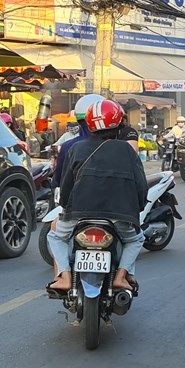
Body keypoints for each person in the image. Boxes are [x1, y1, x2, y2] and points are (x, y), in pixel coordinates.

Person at [46, 99, 147, 293]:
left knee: (56, 237)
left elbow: (66, 187)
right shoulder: (127, 150)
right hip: (119, 216)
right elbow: (141, 186)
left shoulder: (76, 148)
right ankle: (120, 276)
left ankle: (65, 277)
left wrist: (66, 210)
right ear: (119, 124)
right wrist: (137, 210)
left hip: (78, 215)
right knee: (135, 240)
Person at [52, 94, 104, 188]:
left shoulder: (69, 147)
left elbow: (59, 181)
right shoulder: (124, 148)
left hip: (79, 200)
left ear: (79, 121)